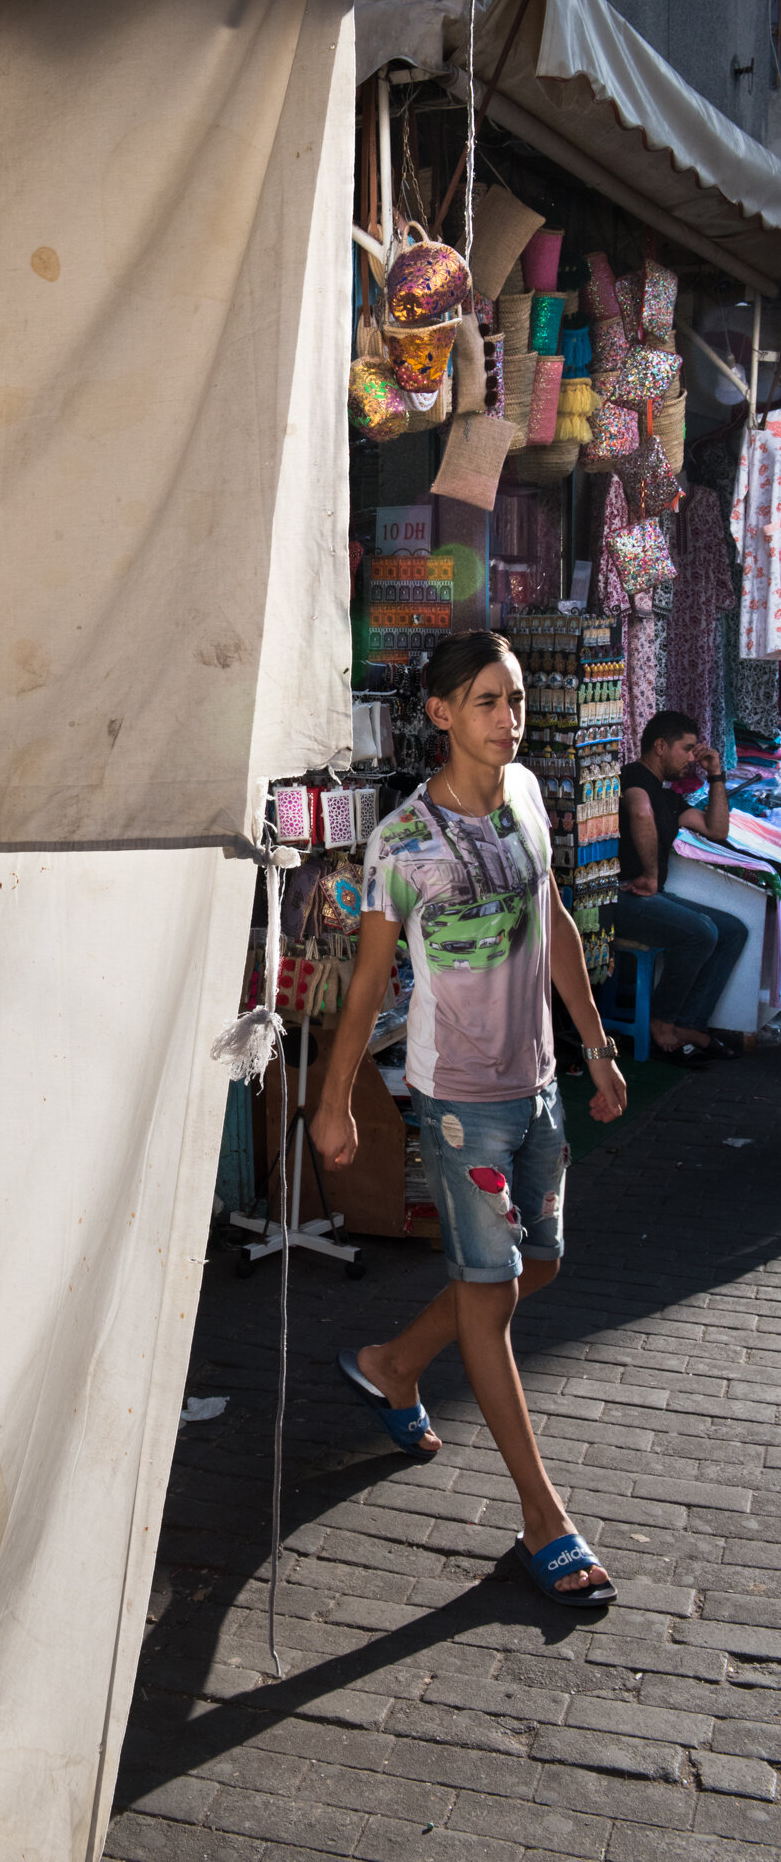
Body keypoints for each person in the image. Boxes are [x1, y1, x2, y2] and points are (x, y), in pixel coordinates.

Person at [310, 629, 627, 1608]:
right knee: (487, 1292)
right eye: (487, 700)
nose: (508, 718)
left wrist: (595, 1043)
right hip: (460, 1106)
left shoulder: (528, 794)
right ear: (440, 712)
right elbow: (366, 983)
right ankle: (542, 1518)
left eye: (516, 699)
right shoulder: (400, 842)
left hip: (535, 1084)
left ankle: (392, 1363)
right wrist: (333, 1100)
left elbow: (556, 922)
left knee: (540, 1263)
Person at [618, 711, 747, 1065]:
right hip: (619, 893)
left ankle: (686, 1025)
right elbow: (640, 812)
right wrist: (648, 874)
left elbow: (716, 829)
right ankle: (662, 1024)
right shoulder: (632, 776)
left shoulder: (668, 796)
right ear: (660, 746)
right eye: (687, 749)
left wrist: (716, 774)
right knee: (701, 932)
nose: (693, 758)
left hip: (648, 895)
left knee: (732, 930)